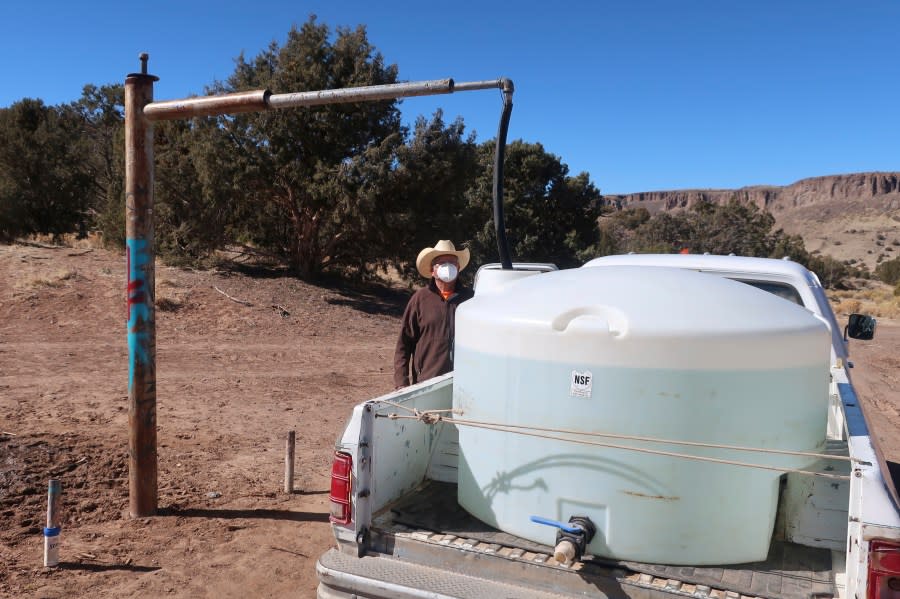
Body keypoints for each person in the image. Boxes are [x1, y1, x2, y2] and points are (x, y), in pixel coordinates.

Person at [394, 240, 474, 388]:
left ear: (458, 267)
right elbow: (403, 345)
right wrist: (401, 383)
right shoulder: (420, 299)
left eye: (452, 262)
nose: (448, 266)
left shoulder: (471, 300)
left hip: (465, 382)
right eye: (442, 263)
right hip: (426, 382)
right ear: (432, 270)